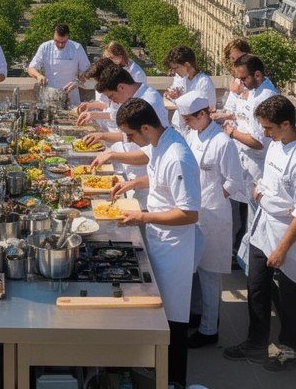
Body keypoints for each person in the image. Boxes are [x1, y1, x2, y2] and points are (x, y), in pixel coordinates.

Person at [225, 95, 296, 372]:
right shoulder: (275, 145)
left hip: (288, 235)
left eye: (268, 128)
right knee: (256, 288)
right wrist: (260, 187)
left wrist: (282, 249)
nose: (264, 134)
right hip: (263, 227)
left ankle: (293, 350)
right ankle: (256, 342)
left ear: (286, 123)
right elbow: (270, 181)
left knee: (291, 297)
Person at [108, 98, 201, 388]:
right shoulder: (161, 143)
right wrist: (132, 184)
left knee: (173, 319)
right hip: (159, 236)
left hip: (175, 247)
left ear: (146, 127)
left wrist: (144, 217)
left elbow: (189, 213)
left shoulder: (178, 155)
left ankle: (175, 380)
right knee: (159, 312)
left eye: (132, 136)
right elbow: (159, 179)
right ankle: (157, 371)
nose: (130, 141)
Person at [173, 91, 246, 348]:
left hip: (213, 215)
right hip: (194, 211)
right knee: (194, 268)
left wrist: (215, 196)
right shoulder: (193, 135)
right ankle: (196, 315)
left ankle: (209, 329)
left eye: (190, 119)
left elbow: (235, 181)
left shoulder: (223, 143)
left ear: (203, 114)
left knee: (210, 273)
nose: (187, 124)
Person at [80, 62, 170, 208]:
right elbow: (127, 135)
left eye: (112, 96)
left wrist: (112, 154)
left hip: (145, 174)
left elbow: (149, 154)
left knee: (142, 212)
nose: (112, 101)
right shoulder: (134, 96)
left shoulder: (148, 102)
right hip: (133, 167)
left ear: (121, 87)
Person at [221, 54, 276, 251]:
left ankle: (257, 264)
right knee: (250, 219)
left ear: (258, 75)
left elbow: (258, 142)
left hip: (259, 166)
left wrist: (231, 132)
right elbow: (246, 117)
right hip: (247, 161)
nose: (241, 84)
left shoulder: (265, 98)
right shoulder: (253, 91)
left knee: (257, 220)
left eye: (244, 79)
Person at [26, 22, 91, 107]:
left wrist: (77, 82)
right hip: (50, 94)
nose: (60, 44)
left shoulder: (77, 48)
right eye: (57, 41)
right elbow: (31, 68)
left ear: (68, 36)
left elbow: (87, 71)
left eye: (63, 42)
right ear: (54, 35)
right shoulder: (45, 47)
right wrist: (38, 75)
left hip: (71, 94)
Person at [163, 46, 215, 135]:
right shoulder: (180, 78)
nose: (175, 71)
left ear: (187, 65)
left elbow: (201, 111)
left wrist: (178, 100)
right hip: (178, 126)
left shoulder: (204, 82)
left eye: (176, 68)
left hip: (193, 130)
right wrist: (170, 95)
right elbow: (168, 95)